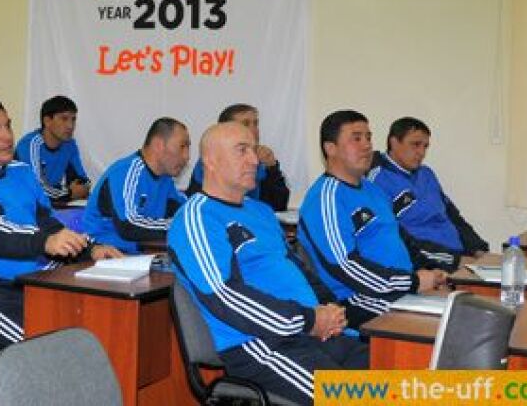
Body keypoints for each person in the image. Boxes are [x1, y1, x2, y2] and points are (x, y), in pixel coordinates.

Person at [168, 122, 367, 405]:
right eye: (242, 150)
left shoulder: (260, 211)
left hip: (315, 333)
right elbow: (225, 296)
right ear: (210, 161)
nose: (254, 159)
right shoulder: (197, 217)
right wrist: (309, 320)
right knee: (362, 398)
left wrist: (331, 309)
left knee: (417, 387)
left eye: (254, 150)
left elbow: (298, 269)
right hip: (262, 345)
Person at [0, 96, 121, 349]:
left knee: (94, 320)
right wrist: (44, 242)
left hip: (28, 281)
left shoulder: (21, 171)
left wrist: (91, 249)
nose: (7, 136)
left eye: (8, 126)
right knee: (41, 349)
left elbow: (48, 224)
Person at [297, 110, 447, 327]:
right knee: (437, 326)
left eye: (368, 137)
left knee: (461, 311)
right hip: (356, 300)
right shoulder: (325, 197)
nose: (367, 146)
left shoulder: (372, 189)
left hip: (397, 290)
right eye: (356, 139)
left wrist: (431, 271)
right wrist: (413, 282)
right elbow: (345, 266)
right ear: (330, 148)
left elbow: (402, 239)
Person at [368, 117, 488, 270]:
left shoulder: (427, 174)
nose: (421, 152)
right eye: (415, 144)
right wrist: (455, 260)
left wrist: (478, 249)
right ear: (394, 142)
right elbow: (393, 238)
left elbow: (452, 216)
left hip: (459, 257)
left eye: (425, 146)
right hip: (428, 265)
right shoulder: (377, 180)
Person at [82, 117, 189, 253]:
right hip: (104, 252)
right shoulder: (126, 172)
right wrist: (180, 225)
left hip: (140, 253)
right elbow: (128, 226)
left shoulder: (165, 178)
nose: (187, 156)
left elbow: (185, 210)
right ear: (159, 145)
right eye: (182, 146)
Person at [185, 103, 290, 211]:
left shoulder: (261, 159)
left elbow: (279, 205)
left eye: (255, 123)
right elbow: (197, 203)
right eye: (246, 124)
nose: (254, 129)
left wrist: (272, 168)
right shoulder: (213, 160)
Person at [15, 95, 90, 204]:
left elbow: (82, 181)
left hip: (53, 203)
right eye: (64, 119)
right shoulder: (30, 144)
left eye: (73, 119)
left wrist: (80, 188)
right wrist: (69, 194)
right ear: (47, 121)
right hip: (24, 203)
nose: (70, 126)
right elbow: (37, 189)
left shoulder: (69, 144)